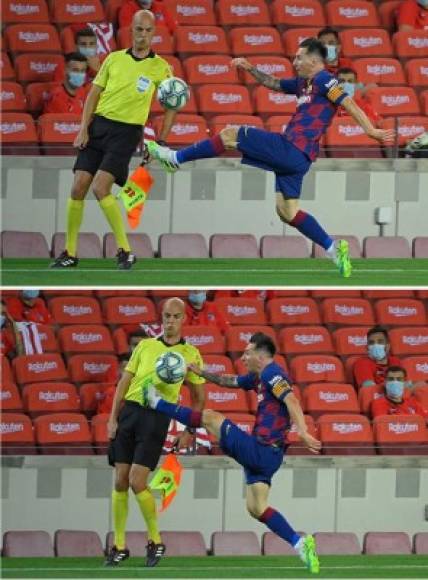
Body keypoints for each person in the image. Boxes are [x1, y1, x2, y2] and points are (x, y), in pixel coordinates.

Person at [148, 38, 395, 278]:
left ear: (313, 59)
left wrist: (371, 131)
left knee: (230, 134)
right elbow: (275, 84)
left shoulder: (325, 79)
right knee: (287, 212)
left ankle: (175, 158)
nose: (294, 61)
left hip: (292, 148)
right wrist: (250, 68)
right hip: (300, 158)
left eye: (299, 57)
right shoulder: (303, 83)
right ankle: (333, 250)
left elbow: (349, 102)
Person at [144, 332, 321, 573]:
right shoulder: (258, 377)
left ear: (261, 355)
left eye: (247, 352)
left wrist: (302, 431)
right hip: (267, 456)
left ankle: (157, 403)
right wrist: (200, 372)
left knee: (211, 417)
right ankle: (300, 544)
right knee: (257, 508)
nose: (243, 356)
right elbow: (229, 381)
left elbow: (292, 401)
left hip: (262, 450)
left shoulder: (272, 373)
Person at [50, 10, 176, 270]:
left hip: (127, 132)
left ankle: (125, 251)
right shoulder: (113, 59)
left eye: (148, 30)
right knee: (77, 188)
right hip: (99, 126)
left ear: (154, 33)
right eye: (139, 29)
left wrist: (160, 142)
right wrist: (83, 128)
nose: (143, 35)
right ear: (131, 30)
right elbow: (94, 94)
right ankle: (70, 253)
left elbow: (171, 107)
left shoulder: (162, 68)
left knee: (100, 188)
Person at [105, 298, 205, 567]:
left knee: (138, 480)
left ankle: (156, 541)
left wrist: (189, 431)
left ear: (184, 319)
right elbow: (124, 382)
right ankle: (120, 545)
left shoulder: (191, 354)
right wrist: (113, 418)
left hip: (157, 416)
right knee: (119, 480)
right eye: (166, 316)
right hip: (130, 413)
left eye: (174, 317)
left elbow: (198, 397)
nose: (169, 321)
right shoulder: (146, 346)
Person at [353, 326, 401, 390]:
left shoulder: (396, 361)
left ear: (388, 346)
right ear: (367, 347)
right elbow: (370, 389)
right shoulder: (362, 364)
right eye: (371, 343)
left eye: (380, 342)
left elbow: (403, 385)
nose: (375, 345)